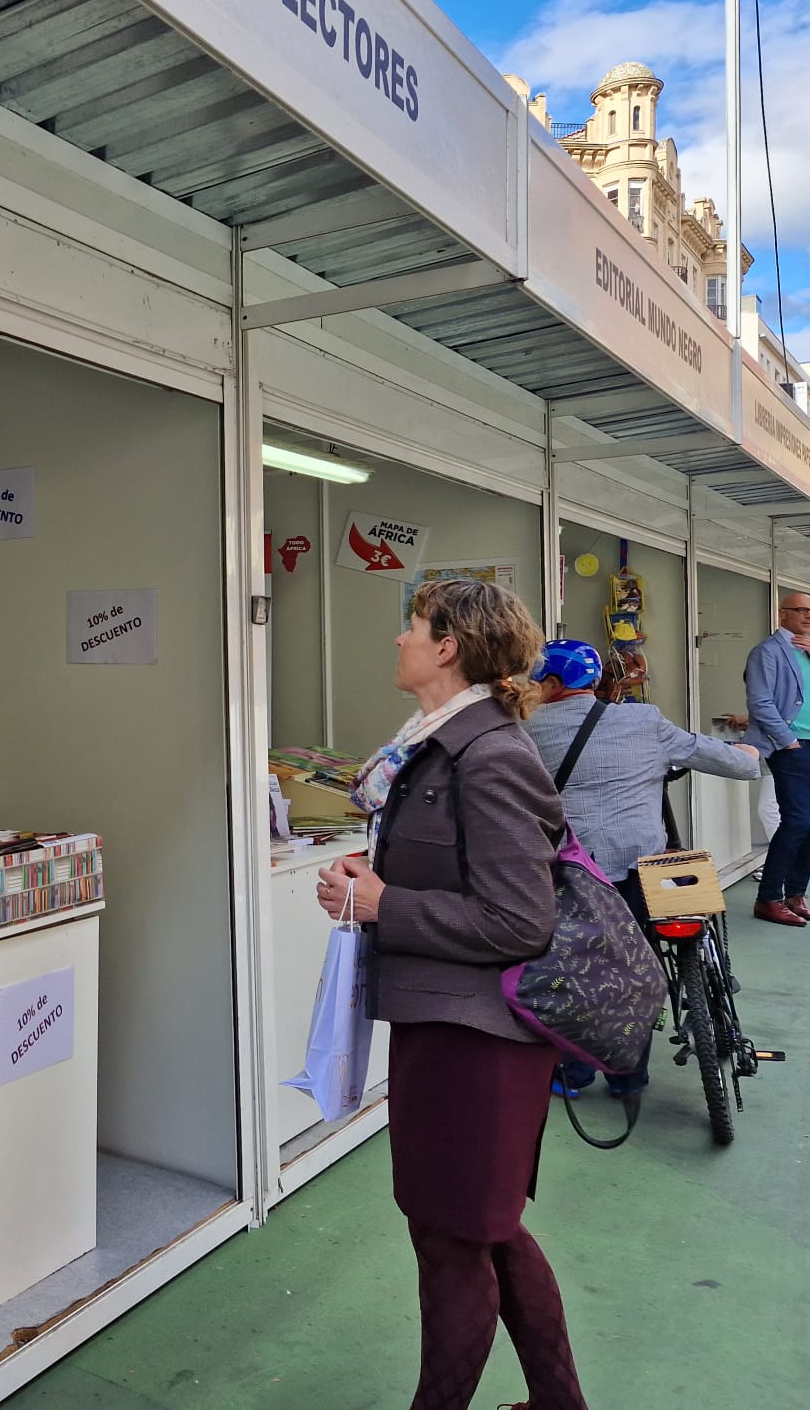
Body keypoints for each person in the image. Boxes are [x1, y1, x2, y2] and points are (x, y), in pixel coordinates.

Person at [314, 580, 587, 1410]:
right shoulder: (442, 747)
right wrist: (379, 876)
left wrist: (384, 904)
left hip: (481, 1042)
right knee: (487, 1229)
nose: (400, 639)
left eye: (415, 626)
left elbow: (517, 920)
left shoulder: (490, 755)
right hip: (450, 1030)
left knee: (451, 1238)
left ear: (448, 649)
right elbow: (464, 873)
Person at [525, 640, 759, 1097]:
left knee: (571, 966)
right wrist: (747, 757)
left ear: (552, 684)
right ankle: (627, 1077)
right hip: (640, 871)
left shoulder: (527, 729)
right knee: (635, 964)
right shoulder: (643, 721)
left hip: (567, 872)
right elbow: (730, 763)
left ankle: (573, 1072)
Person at [742, 593, 810, 928]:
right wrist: (789, 742)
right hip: (791, 748)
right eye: (802, 610)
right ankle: (768, 897)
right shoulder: (767, 652)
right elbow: (760, 702)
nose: (809, 615)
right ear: (782, 613)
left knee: (807, 825)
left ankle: (795, 893)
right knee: (796, 822)